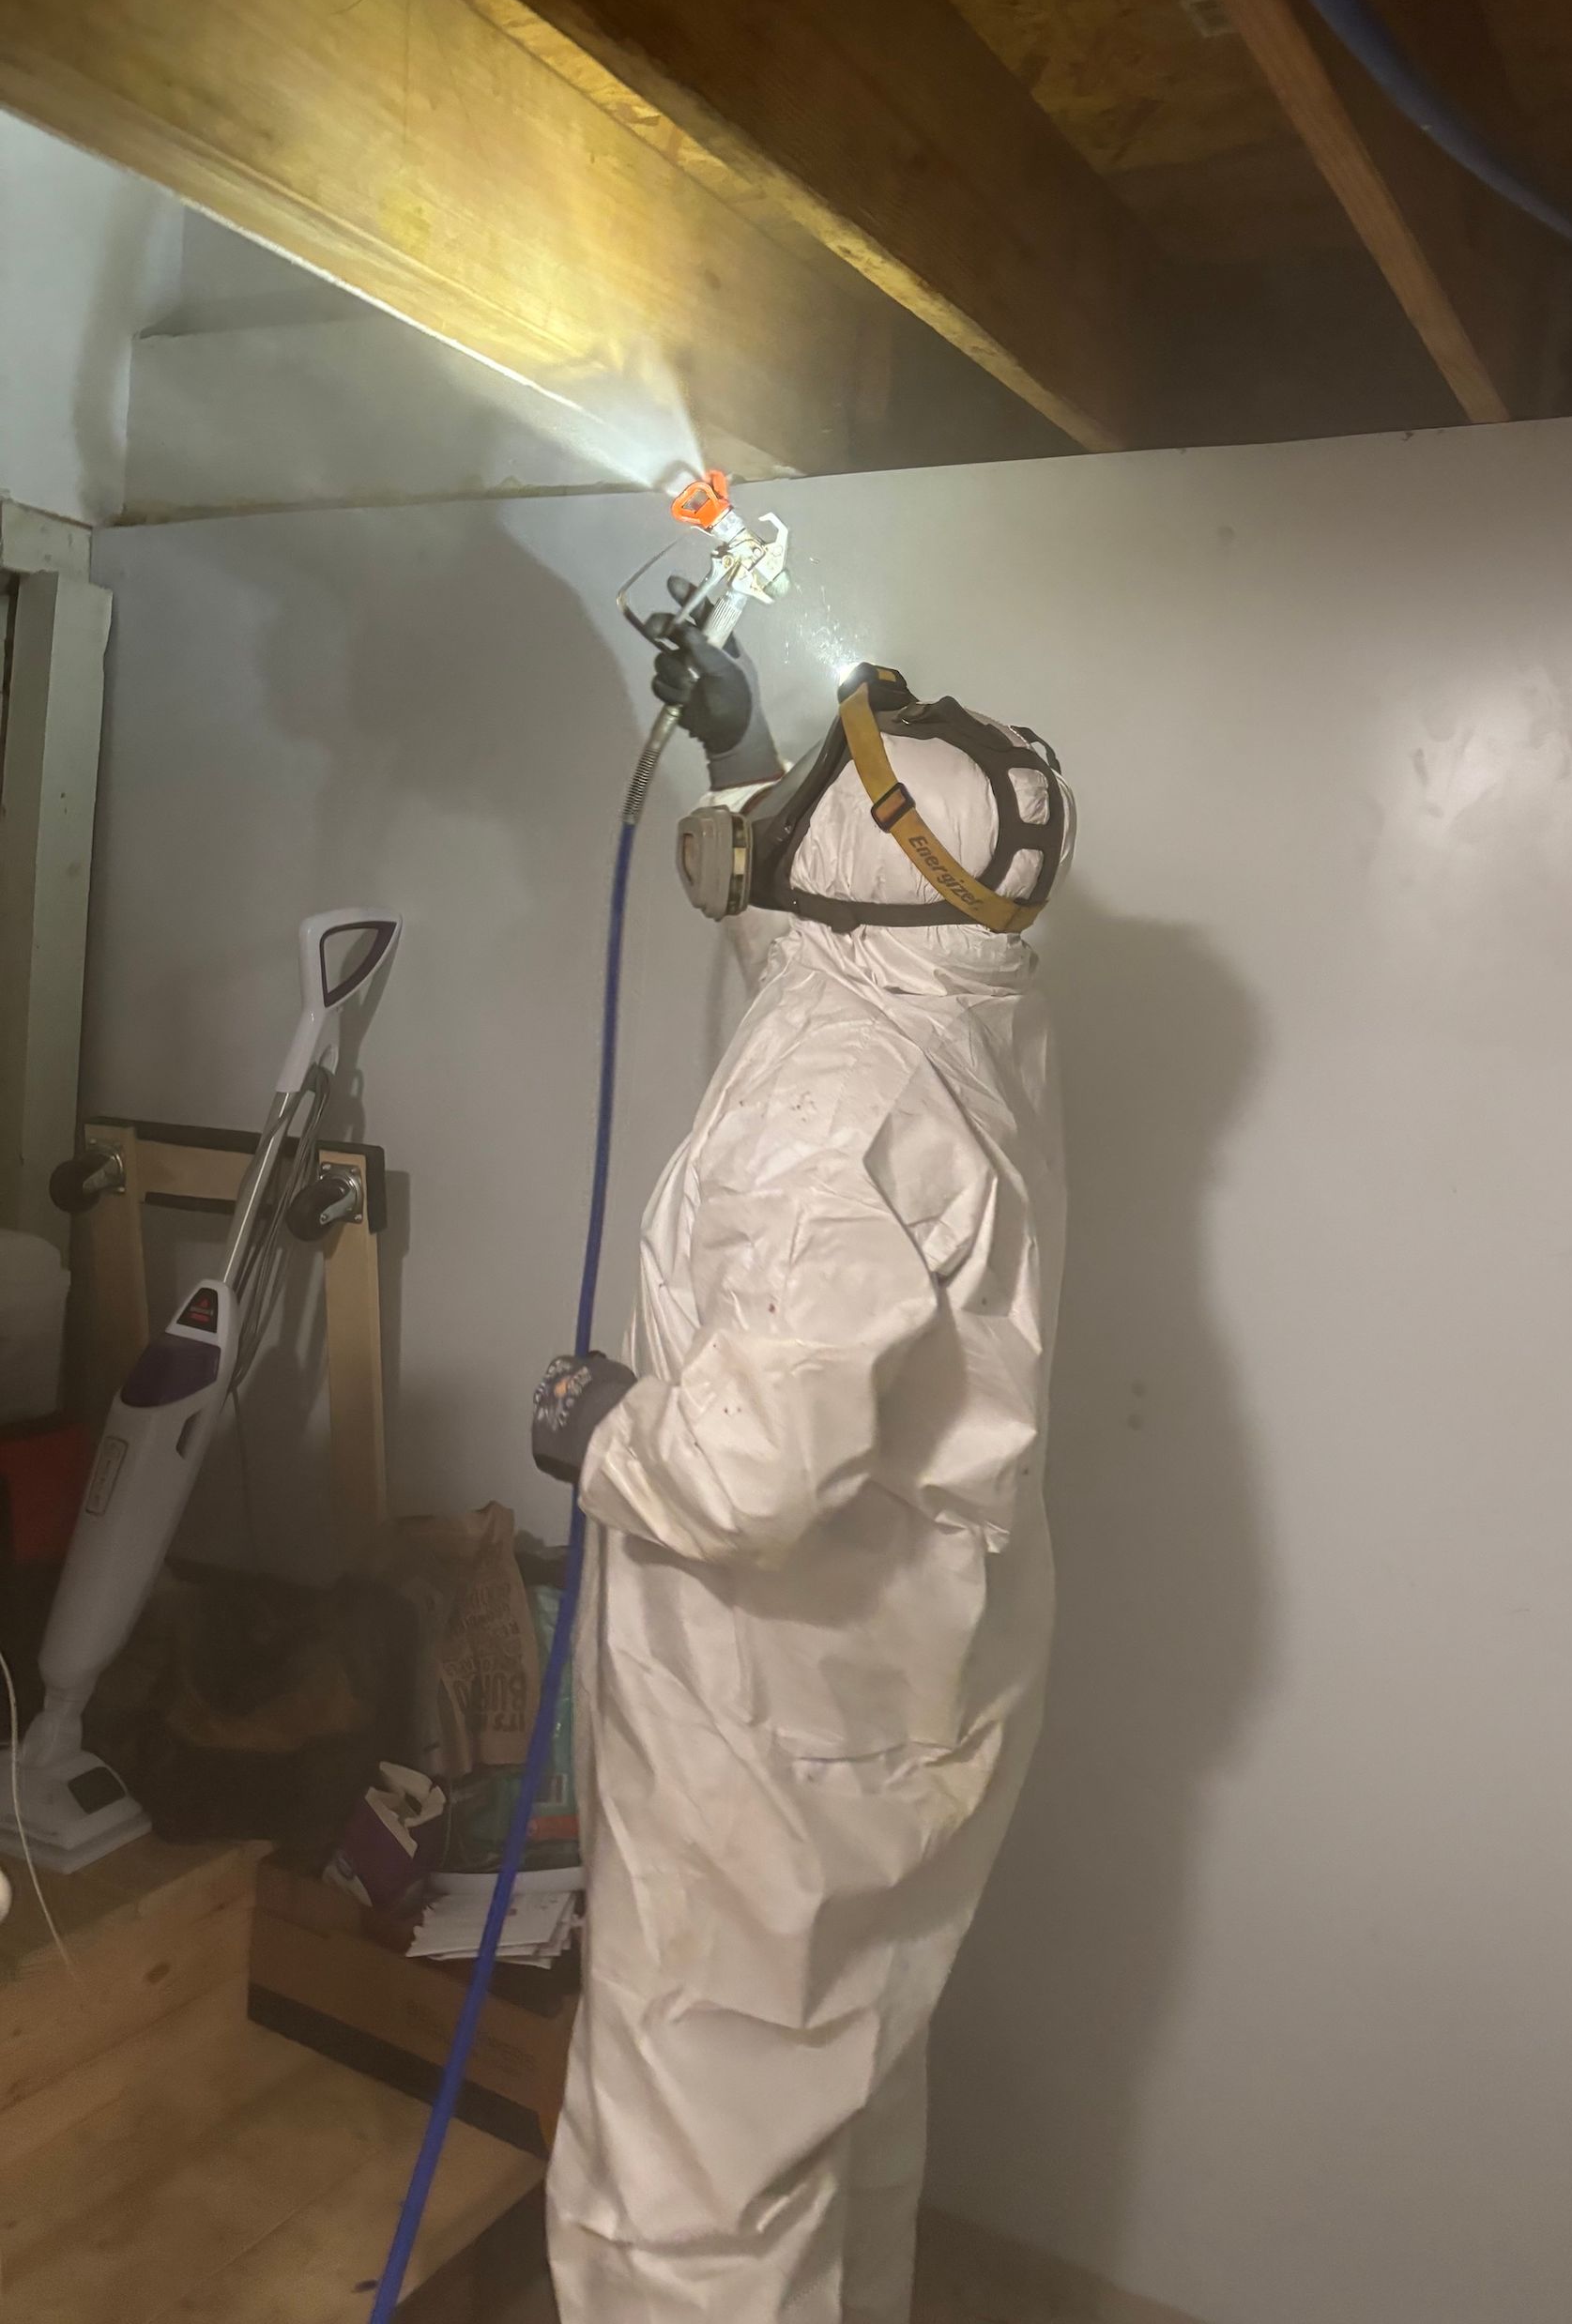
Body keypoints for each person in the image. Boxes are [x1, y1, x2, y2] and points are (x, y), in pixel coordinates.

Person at [533, 606, 1075, 2322]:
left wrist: (597, 1426)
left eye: (819, 791)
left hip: (771, 1724)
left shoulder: (821, 1101)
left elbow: (750, 1473)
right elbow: (829, 946)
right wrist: (739, 744)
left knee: (686, 2193)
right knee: (842, 2115)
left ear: (866, 846)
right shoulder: (966, 999)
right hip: (914, 1691)